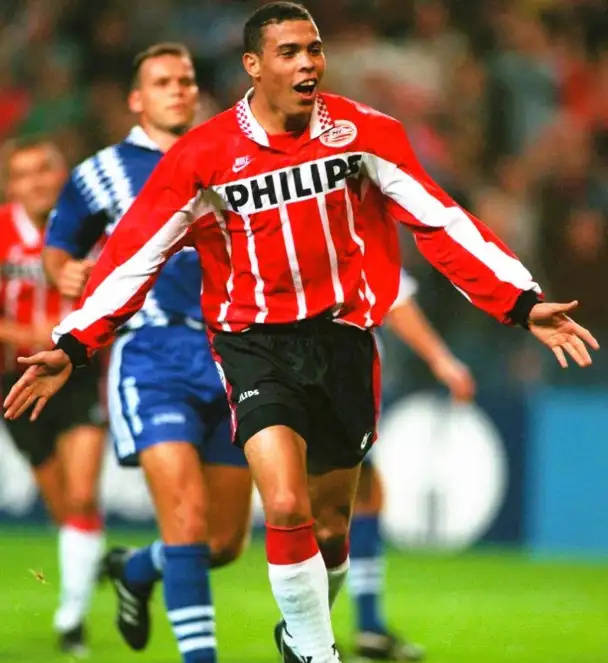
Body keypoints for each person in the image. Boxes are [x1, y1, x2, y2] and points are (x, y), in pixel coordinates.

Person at [4, 4, 598, 663]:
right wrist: (73, 343)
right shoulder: (204, 157)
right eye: (289, 51)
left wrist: (521, 301)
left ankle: (299, 634)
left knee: (332, 530)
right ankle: (318, 653)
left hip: (342, 341)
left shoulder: (363, 134)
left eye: (314, 49)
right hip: (252, 345)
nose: (308, 62)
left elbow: (441, 221)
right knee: (284, 505)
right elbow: (134, 256)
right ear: (253, 66)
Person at [42, 43, 252, 663]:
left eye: (186, 80)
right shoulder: (103, 170)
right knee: (185, 520)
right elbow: (60, 245)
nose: (179, 90)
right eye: (163, 82)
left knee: (223, 543)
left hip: (233, 353)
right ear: (137, 99)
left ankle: (136, 569)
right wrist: (63, 272)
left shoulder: (234, 159)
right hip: (151, 355)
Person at [0, 137, 106, 657]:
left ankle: (71, 620)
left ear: (63, 175)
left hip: (79, 373)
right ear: (10, 186)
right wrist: (21, 333)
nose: (36, 182)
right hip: (15, 381)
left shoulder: (94, 230)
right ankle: (91, 561)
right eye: (23, 174)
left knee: (82, 496)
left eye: (44, 170)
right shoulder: (2, 232)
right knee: (64, 506)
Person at [348, 268, 475, 661]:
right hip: (338, 373)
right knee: (333, 504)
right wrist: (442, 360)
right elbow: (395, 299)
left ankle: (366, 626)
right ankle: (322, 628)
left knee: (361, 496)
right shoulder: (360, 234)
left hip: (326, 373)